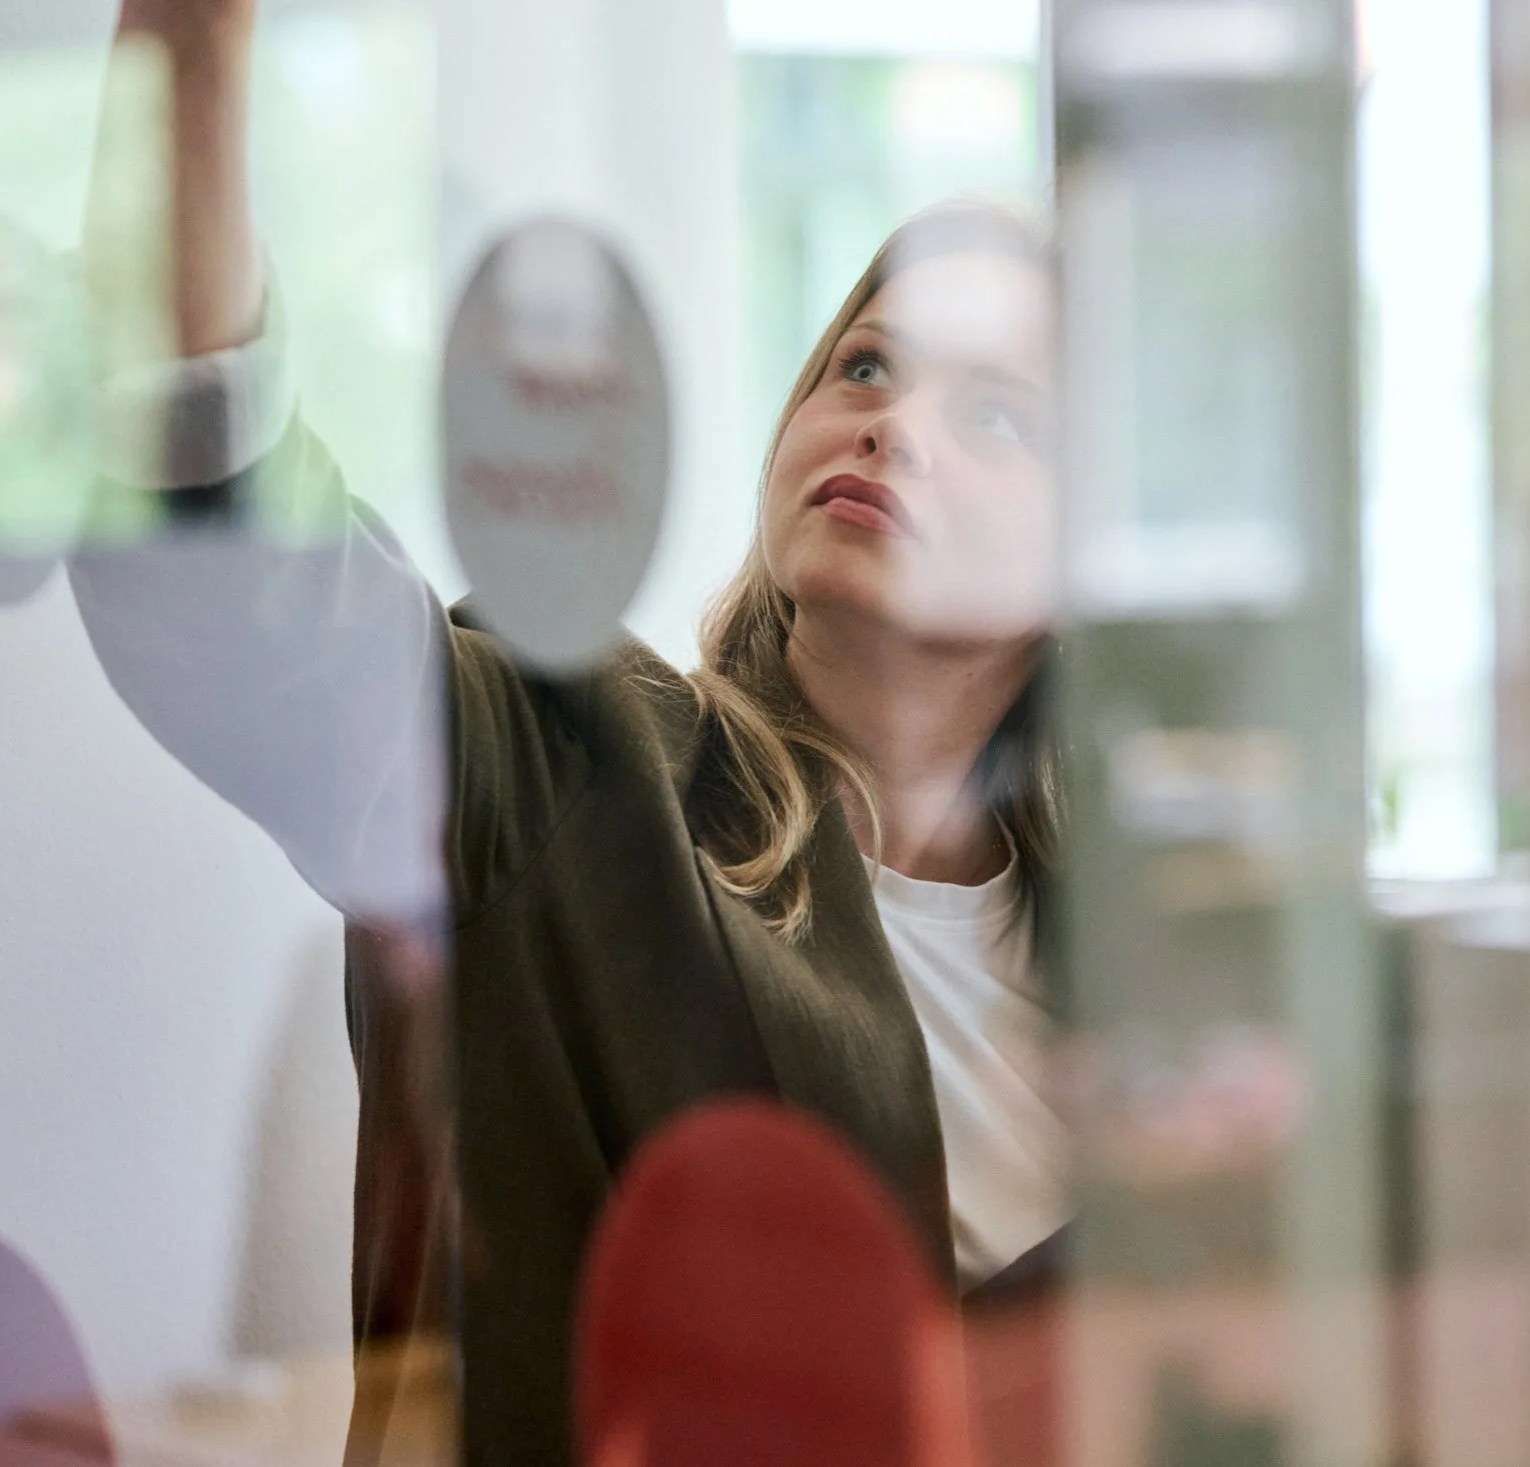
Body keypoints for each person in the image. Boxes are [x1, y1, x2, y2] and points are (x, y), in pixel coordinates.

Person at [70, 2, 1069, 1462]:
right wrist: (195, 53)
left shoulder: (1162, 973)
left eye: (997, 419)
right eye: (866, 365)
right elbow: (240, 591)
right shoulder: (581, 760)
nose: (893, 424)